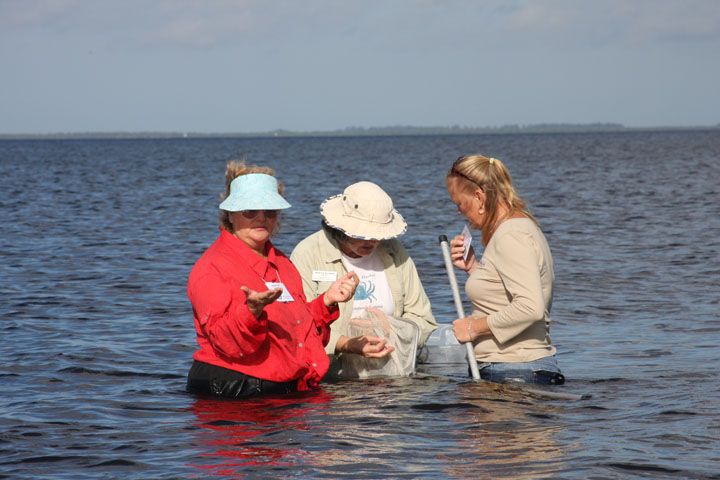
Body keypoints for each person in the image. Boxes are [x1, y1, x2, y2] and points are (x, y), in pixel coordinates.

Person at [186, 161, 358, 398]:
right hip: (234, 399)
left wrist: (326, 302)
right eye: (250, 211)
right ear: (230, 214)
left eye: (270, 211)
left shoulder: (282, 263)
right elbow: (227, 344)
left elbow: (296, 334)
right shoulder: (212, 268)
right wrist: (251, 311)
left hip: (282, 396)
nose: (261, 218)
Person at [290, 181, 437, 373]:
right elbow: (298, 327)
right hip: (332, 379)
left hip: (392, 376)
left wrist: (393, 327)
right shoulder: (307, 253)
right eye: (364, 234)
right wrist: (347, 344)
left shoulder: (394, 250)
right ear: (340, 228)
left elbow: (424, 320)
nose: (374, 241)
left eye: (378, 235)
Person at [446, 154, 564, 385]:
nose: (459, 212)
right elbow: (506, 295)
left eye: (460, 204)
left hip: (513, 371)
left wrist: (473, 328)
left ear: (479, 197)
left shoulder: (511, 235)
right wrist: (473, 268)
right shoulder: (517, 227)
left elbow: (530, 307)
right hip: (517, 370)